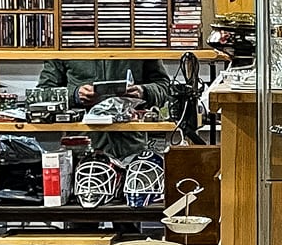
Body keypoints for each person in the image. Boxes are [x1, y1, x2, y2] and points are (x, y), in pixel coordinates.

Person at [24, 56, 173, 165]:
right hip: (82, 147)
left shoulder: (137, 40)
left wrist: (143, 91)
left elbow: (164, 87)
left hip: (131, 145)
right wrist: (75, 94)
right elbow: (43, 93)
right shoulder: (66, 43)